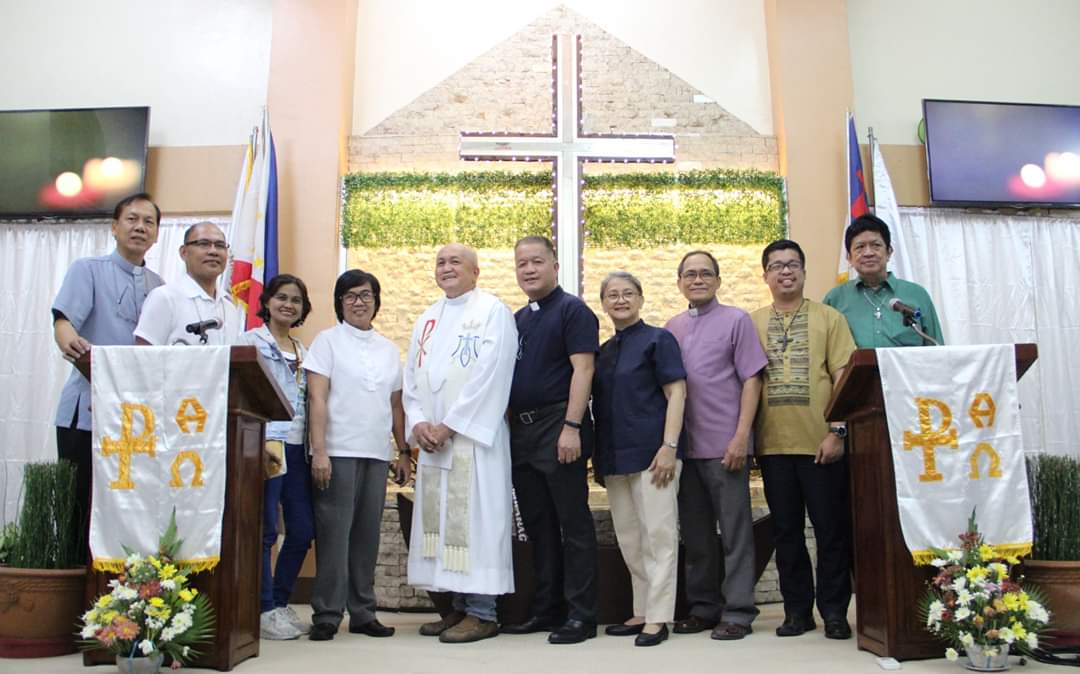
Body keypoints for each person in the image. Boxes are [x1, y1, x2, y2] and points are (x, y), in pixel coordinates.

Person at [403, 243, 518, 644]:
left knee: (477, 524)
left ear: (475, 271)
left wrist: (450, 426)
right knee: (442, 525)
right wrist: (419, 423)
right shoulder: (427, 318)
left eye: (456, 262)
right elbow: (411, 377)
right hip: (434, 445)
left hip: (473, 442)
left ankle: (484, 614)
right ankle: (457, 608)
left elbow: (492, 375)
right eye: (440, 262)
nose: (446, 267)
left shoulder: (493, 312)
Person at [751, 240, 857, 640]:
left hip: (821, 445)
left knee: (831, 531)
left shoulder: (829, 318)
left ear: (804, 272)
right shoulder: (752, 323)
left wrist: (838, 431)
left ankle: (834, 612)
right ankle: (796, 612)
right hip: (773, 446)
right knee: (786, 533)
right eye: (777, 265)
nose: (785, 271)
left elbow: (844, 377)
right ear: (765, 275)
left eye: (793, 264)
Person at [51, 193, 164, 561]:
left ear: (156, 234)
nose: (140, 227)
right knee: (80, 510)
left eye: (148, 222)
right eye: (132, 219)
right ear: (114, 227)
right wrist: (69, 341)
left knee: (127, 514)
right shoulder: (88, 269)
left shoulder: (160, 287)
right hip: (87, 414)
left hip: (136, 421)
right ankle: (73, 589)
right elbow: (63, 322)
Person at [665, 250, 767, 641]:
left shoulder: (736, 320)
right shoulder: (672, 327)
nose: (698, 280)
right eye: (690, 274)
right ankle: (703, 607)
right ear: (679, 283)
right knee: (696, 536)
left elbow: (752, 380)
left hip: (726, 446)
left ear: (718, 281)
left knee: (736, 534)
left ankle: (738, 611)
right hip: (685, 450)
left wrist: (742, 436)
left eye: (705, 273)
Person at [303, 269, 410, 641]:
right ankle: (327, 614)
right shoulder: (327, 342)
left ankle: (363, 612)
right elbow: (317, 398)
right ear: (340, 303)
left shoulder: (387, 349)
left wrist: (403, 452)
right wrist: (320, 451)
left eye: (366, 295)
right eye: (350, 296)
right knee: (334, 535)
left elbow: (396, 406)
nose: (358, 302)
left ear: (376, 301)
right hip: (337, 451)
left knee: (367, 537)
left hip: (376, 453)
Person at [502, 235, 599, 645]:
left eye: (537, 261)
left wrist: (572, 426)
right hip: (521, 433)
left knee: (572, 524)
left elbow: (583, 370)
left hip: (559, 425)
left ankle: (581, 615)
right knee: (538, 526)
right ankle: (547, 610)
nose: (529, 269)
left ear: (555, 266)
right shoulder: (517, 319)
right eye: (521, 263)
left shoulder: (573, 311)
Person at [592, 272, 687, 648]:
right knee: (630, 538)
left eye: (628, 293)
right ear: (603, 304)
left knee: (658, 537)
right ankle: (642, 609)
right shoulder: (604, 352)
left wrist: (669, 446)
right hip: (615, 457)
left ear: (641, 299)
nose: (620, 300)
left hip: (654, 456)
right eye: (612, 295)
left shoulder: (658, 340)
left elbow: (677, 393)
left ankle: (659, 617)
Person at [237, 274, 316, 641]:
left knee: (302, 529)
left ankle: (280, 601)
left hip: (298, 446)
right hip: (266, 443)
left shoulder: (305, 350)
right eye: (281, 297)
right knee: (267, 529)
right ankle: (263, 607)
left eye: (296, 300)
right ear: (267, 302)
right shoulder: (250, 342)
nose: (288, 304)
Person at [823, 214, 944, 347]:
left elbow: (937, 349)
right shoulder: (835, 299)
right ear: (849, 258)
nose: (868, 253)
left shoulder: (917, 295)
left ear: (889, 252)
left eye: (876, 245)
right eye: (860, 247)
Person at [133, 221, 244, 345]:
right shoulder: (165, 298)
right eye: (203, 244)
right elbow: (142, 353)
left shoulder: (229, 306)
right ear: (183, 252)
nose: (213, 251)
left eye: (220, 245)